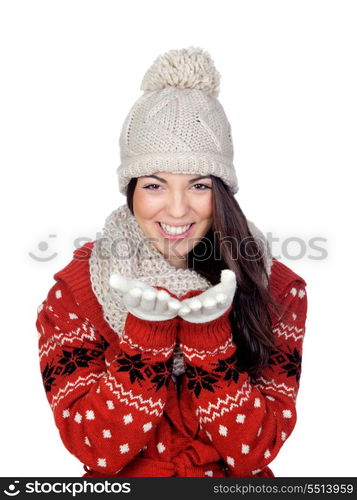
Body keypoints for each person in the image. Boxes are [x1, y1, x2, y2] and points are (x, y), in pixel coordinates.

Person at [36, 46, 308, 478]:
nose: (178, 211)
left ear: (221, 190)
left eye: (198, 184)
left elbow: (255, 453)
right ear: (131, 190)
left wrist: (209, 335)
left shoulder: (276, 287)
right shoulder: (76, 291)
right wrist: (146, 335)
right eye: (155, 185)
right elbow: (96, 451)